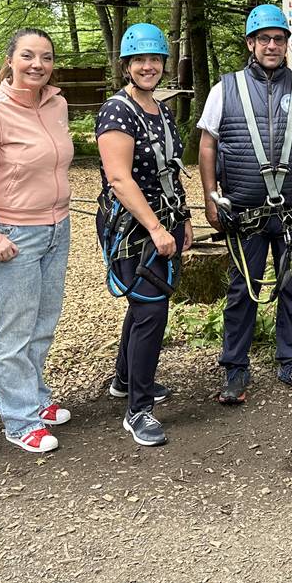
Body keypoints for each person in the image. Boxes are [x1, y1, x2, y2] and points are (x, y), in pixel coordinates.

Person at [197, 4, 292, 403]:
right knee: (241, 288)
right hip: (244, 210)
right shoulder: (226, 88)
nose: (272, 45)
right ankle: (235, 369)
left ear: (286, 44)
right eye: (264, 39)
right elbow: (208, 145)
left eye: (279, 39)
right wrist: (211, 198)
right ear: (250, 43)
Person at [0, 28, 74, 454]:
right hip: (12, 233)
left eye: (45, 58)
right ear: (10, 60)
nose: (37, 65)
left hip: (56, 227)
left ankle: (35, 395)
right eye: (28, 56)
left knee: (43, 320)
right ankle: (18, 418)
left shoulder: (57, 104)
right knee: (12, 328)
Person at [95, 23, 192, 446]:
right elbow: (118, 177)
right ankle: (138, 410)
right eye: (140, 60)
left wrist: (182, 217)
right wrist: (154, 227)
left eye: (155, 60)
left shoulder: (161, 110)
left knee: (143, 305)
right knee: (151, 310)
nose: (148, 66)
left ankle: (124, 380)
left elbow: (169, 170)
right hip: (133, 226)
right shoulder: (117, 111)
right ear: (127, 66)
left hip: (163, 220)